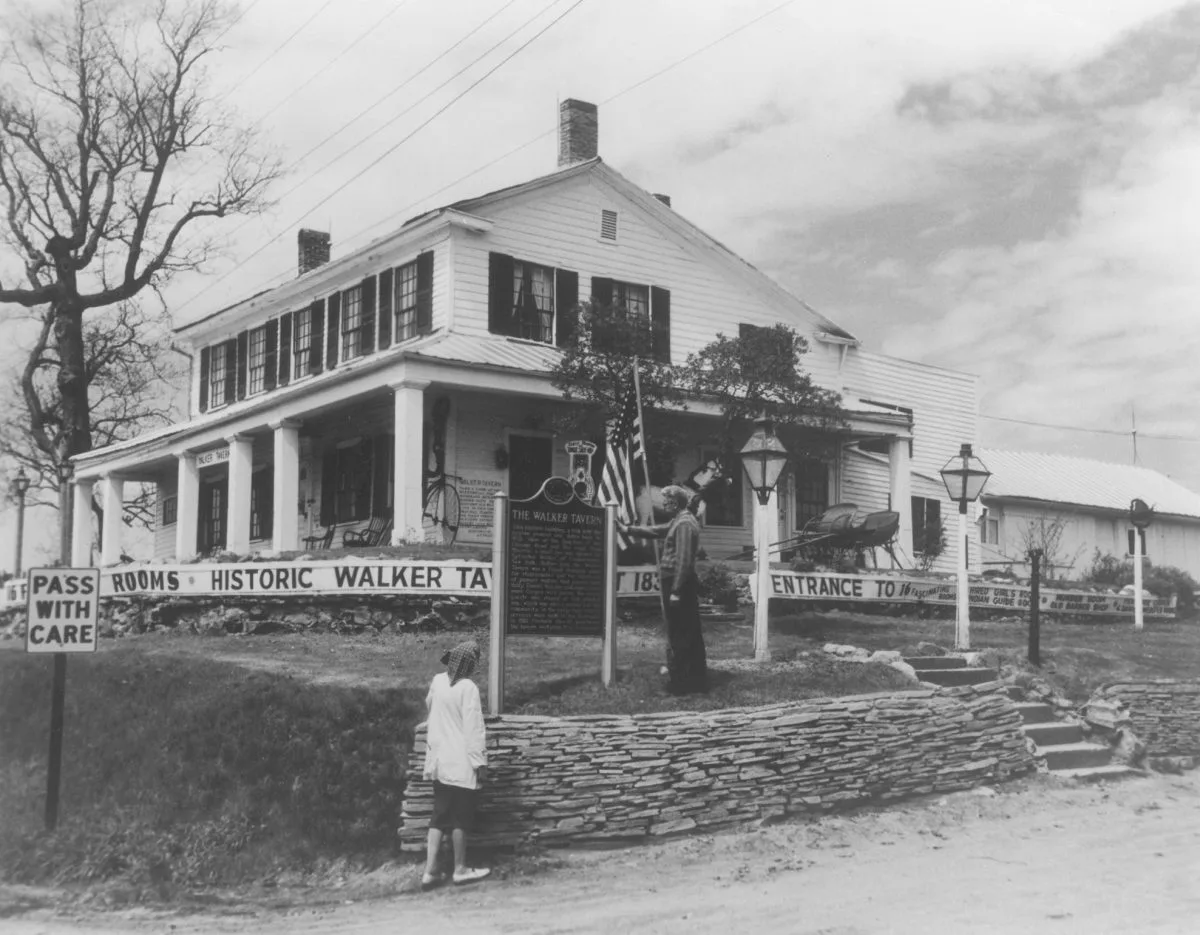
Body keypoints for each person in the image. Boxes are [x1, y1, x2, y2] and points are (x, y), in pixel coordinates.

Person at [620, 485, 708, 694]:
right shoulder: (679, 520)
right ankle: (695, 681)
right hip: (676, 582)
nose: (663, 504)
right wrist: (628, 530)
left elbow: (685, 561)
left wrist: (676, 590)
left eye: (666, 501)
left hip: (679, 584)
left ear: (675, 502)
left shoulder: (685, 523)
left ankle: (680, 685)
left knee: (679, 633)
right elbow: (656, 530)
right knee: (686, 632)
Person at [421, 640, 490, 889]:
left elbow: (430, 706)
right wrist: (480, 763)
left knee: (439, 815)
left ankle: (430, 871)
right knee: (461, 817)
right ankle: (460, 869)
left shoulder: (438, 681)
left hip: (439, 761)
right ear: (470, 665)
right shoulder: (468, 688)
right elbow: (474, 729)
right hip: (461, 762)